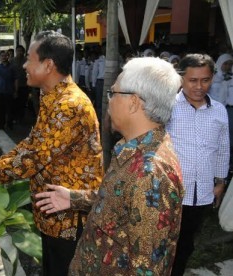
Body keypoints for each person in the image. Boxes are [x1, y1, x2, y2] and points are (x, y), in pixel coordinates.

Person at [0, 30, 103, 276]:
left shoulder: (68, 106)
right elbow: (31, 144)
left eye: (29, 59)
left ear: (48, 65)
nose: (24, 65)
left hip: (68, 219)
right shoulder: (51, 97)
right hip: (53, 215)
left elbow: (33, 159)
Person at [36, 57, 184, 275]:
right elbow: (120, 201)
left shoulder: (149, 173)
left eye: (113, 93)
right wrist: (74, 198)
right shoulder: (134, 149)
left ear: (133, 102)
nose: (109, 101)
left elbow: (147, 268)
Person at [166, 53, 230, 276]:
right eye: (193, 80)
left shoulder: (219, 111)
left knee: (186, 244)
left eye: (205, 80)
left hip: (202, 193)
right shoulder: (168, 107)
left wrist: (220, 181)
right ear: (181, 78)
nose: (199, 86)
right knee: (164, 244)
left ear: (212, 78)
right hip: (170, 193)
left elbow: (222, 149)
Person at [0, 50, 16, 130]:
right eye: (2, 56)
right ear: (0, 57)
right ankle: (0, 125)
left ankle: (9, 125)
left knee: (10, 110)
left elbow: (16, 80)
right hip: (0, 92)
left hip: (9, 92)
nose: (4, 57)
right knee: (1, 110)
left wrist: (16, 91)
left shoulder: (12, 67)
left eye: (5, 56)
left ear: (8, 56)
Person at [12, 45, 29, 123]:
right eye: (18, 50)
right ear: (16, 51)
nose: (19, 52)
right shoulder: (12, 60)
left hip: (24, 85)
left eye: (21, 51)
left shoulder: (27, 60)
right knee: (15, 102)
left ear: (24, 52)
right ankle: (15, 117)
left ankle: (21, 118)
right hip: (14, 86)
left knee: (23, 102)